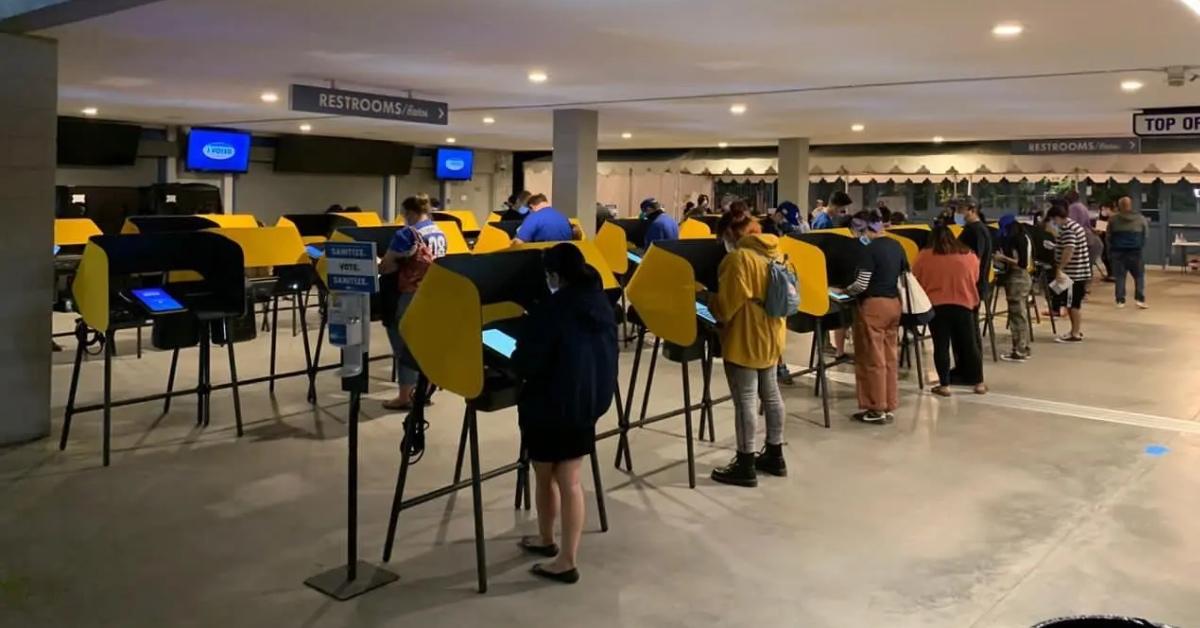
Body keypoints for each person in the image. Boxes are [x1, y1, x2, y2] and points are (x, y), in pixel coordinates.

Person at [512, 243, 617, 584]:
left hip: (548, 403)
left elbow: (528, 359)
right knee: (571, 480)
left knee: (544, 475)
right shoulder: (600, 303)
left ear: (556, 275)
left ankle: (548, 542)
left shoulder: (552, 309)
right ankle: (566, 556)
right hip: (586, 403)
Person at [709, 207, 787, 486]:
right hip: (773, 331)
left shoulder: (739, 259)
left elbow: (726, 306)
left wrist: (707, 299)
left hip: (745, 334)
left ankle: (745, 463)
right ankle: (775, 455)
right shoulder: (775, 250)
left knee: (745, 399)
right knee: (772, 394)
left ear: (731, 232)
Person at [379, 194, 448, 410]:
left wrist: (378, 263)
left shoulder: (406, 234)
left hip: (409, 294)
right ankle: (425, 389)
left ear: (410, 213)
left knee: (404, 345)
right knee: (425, 343)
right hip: (432, 294)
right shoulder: (439, 231)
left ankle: (404, 397)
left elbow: (387, 266)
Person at [837, 211, 907, 423]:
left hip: (873, 307)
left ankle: (876, 409)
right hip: (894, 305)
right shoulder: (897, 246)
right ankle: (889, 403)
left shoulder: (869, 250)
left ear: (865, 229)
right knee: (889, 357)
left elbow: (862, 284)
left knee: (871, 359)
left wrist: (844, 292)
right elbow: (904, 275)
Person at [914, 225, 985, 396]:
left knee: (941, 346)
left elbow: (916, 278)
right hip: (964, 305)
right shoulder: (969, 255)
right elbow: (975, 277)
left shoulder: (924, 256)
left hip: (936, 307)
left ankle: (944, 385)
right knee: (970, 345)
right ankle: (979, 383)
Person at [1046, 205, 1092, 342]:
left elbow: (1069, 250)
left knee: (1072, 304)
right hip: (1077, 271)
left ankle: (1075, 333)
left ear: (1057, 218)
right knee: (1070, 302)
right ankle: (1074, 330)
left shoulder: (1068, 230)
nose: (1053, 223)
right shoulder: (1074, 225)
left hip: (1073, 273)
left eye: (1053, 220)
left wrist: (1059, 269)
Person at [994, 214, 1034, 361]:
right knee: (1020, 315)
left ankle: (1019, 351)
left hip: (1018, 279)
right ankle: (1023, 348)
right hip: (1023, 279)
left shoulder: (1018, 239)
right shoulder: (1024, 236)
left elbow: (1021, 263)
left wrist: (1002, 258)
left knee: (1017, 316)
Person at [1108, 196, 1150, 309]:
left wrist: (1111, 250)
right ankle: (1140, 299)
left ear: (1119, 206)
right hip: (1136, 251)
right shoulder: (1141, 219)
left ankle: (1120, 300)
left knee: (1120, 277)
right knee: (1139, 276)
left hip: (1118, 252)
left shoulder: (1113, 219)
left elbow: (1109, 236)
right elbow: (1146, 235)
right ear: (1130, 205)